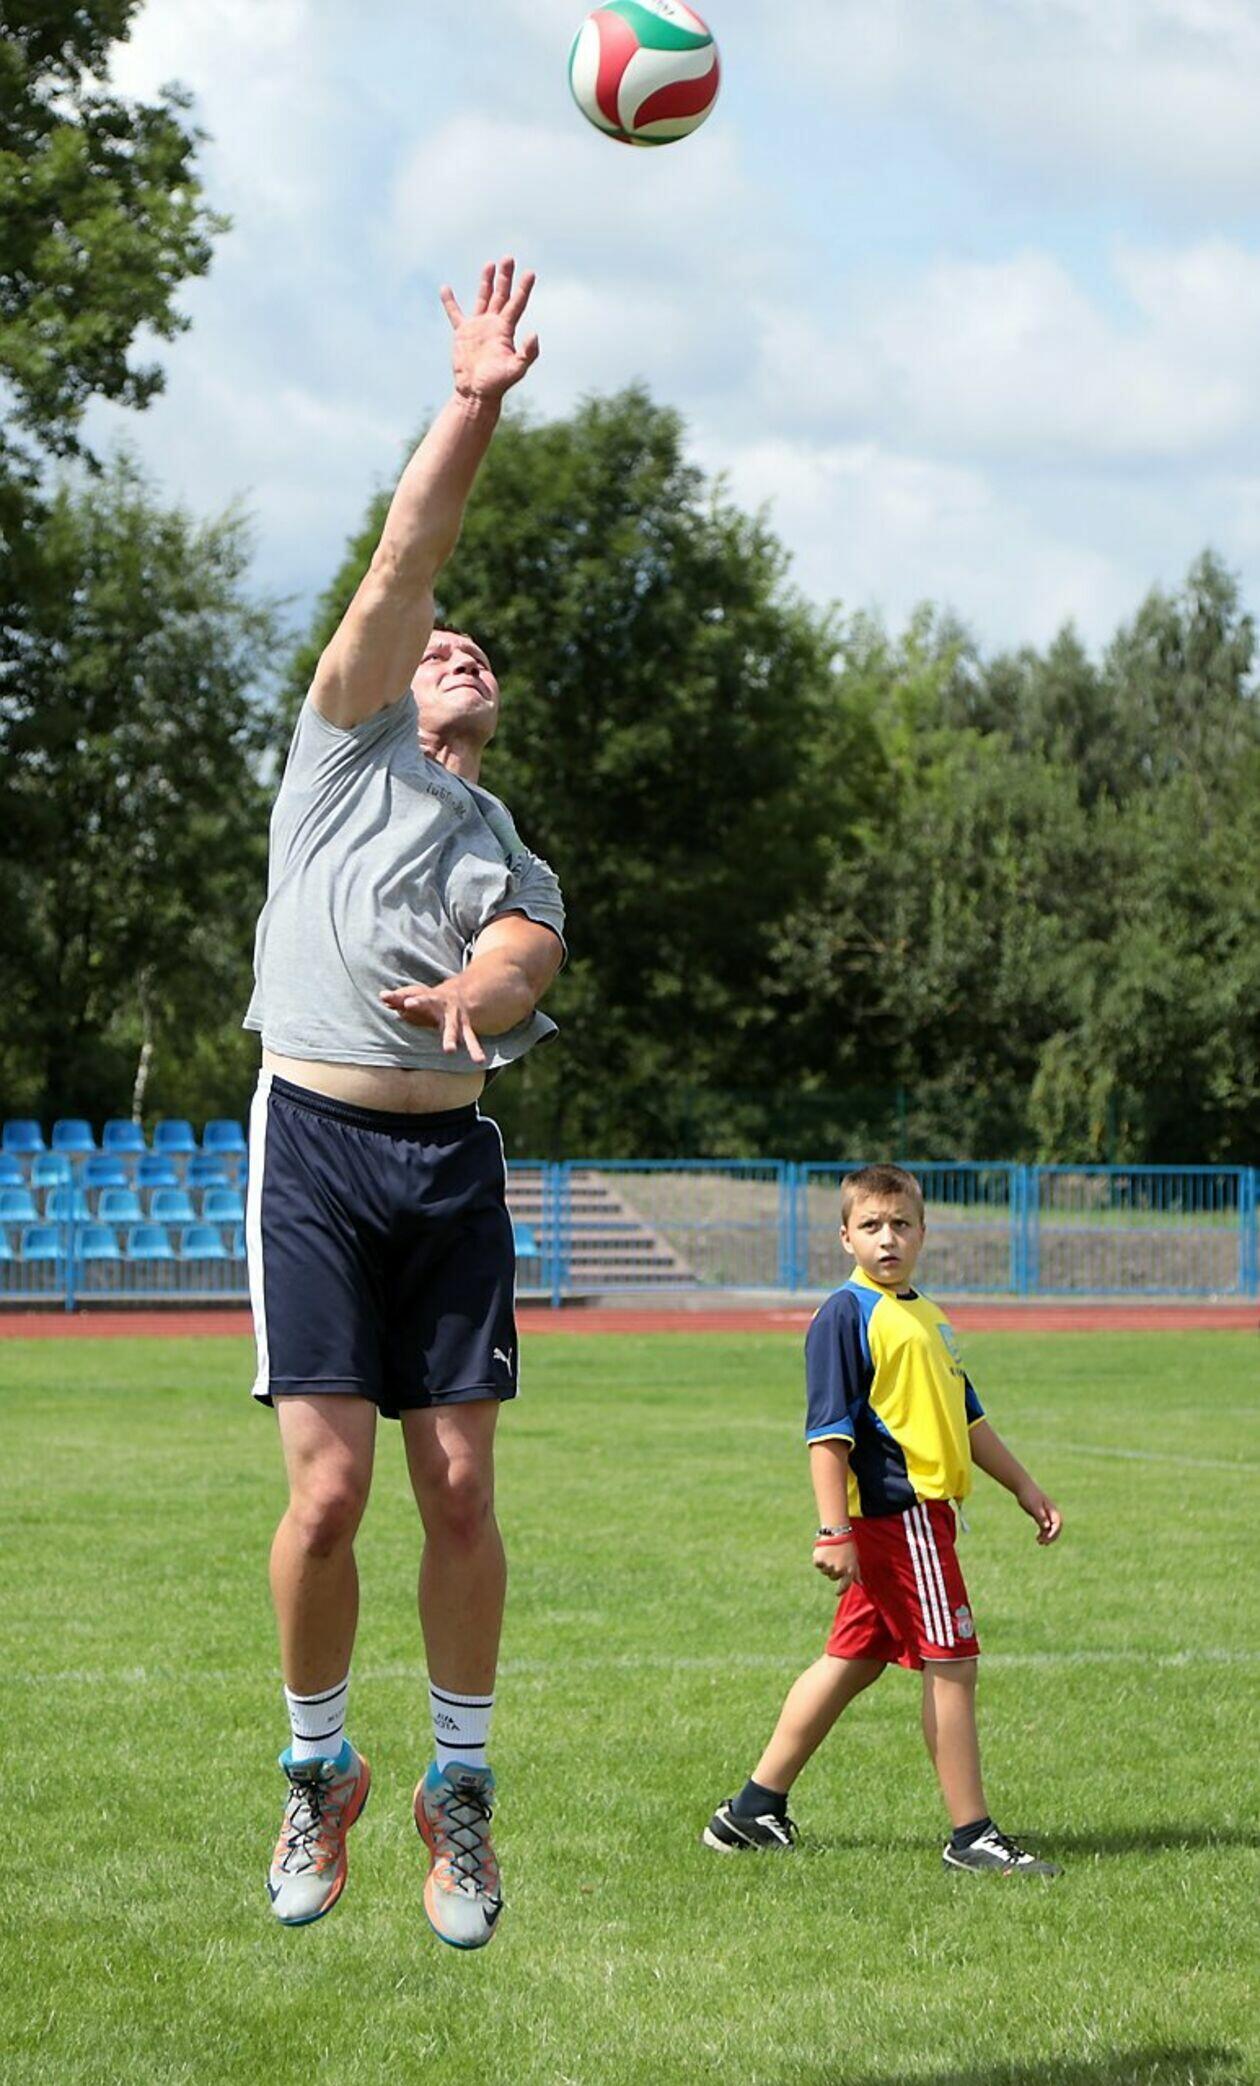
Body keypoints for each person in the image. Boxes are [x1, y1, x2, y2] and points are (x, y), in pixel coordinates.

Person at [243, 258, 564, 1948]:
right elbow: (405, 556)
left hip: (445, 1162)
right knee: (328, 1496)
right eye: (437, 645)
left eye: (473, 655)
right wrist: (470, 403)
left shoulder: (514, 852)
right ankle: (319, 1769)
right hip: (311, 1140)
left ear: (493, 706)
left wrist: (473, 996)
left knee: (456, 1491)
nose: (451, 648)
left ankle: (461, 1790)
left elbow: (521, 954)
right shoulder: (341, 744)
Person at [703, 1164, 1064, 1877]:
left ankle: (751, 1811)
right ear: (846, 1238)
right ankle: (972, 1836)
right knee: (952, 1663)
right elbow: (827, 1434)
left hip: (924, 1519)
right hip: (901, 1519)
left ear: (923, 1232)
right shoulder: (846, 1314)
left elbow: (968, 1418)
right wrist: (832, 1528)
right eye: (870, 1226)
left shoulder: (927, 1316)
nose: (887, 1238)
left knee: (854, 1659)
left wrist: (1024, 1486)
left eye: (901, 1224)